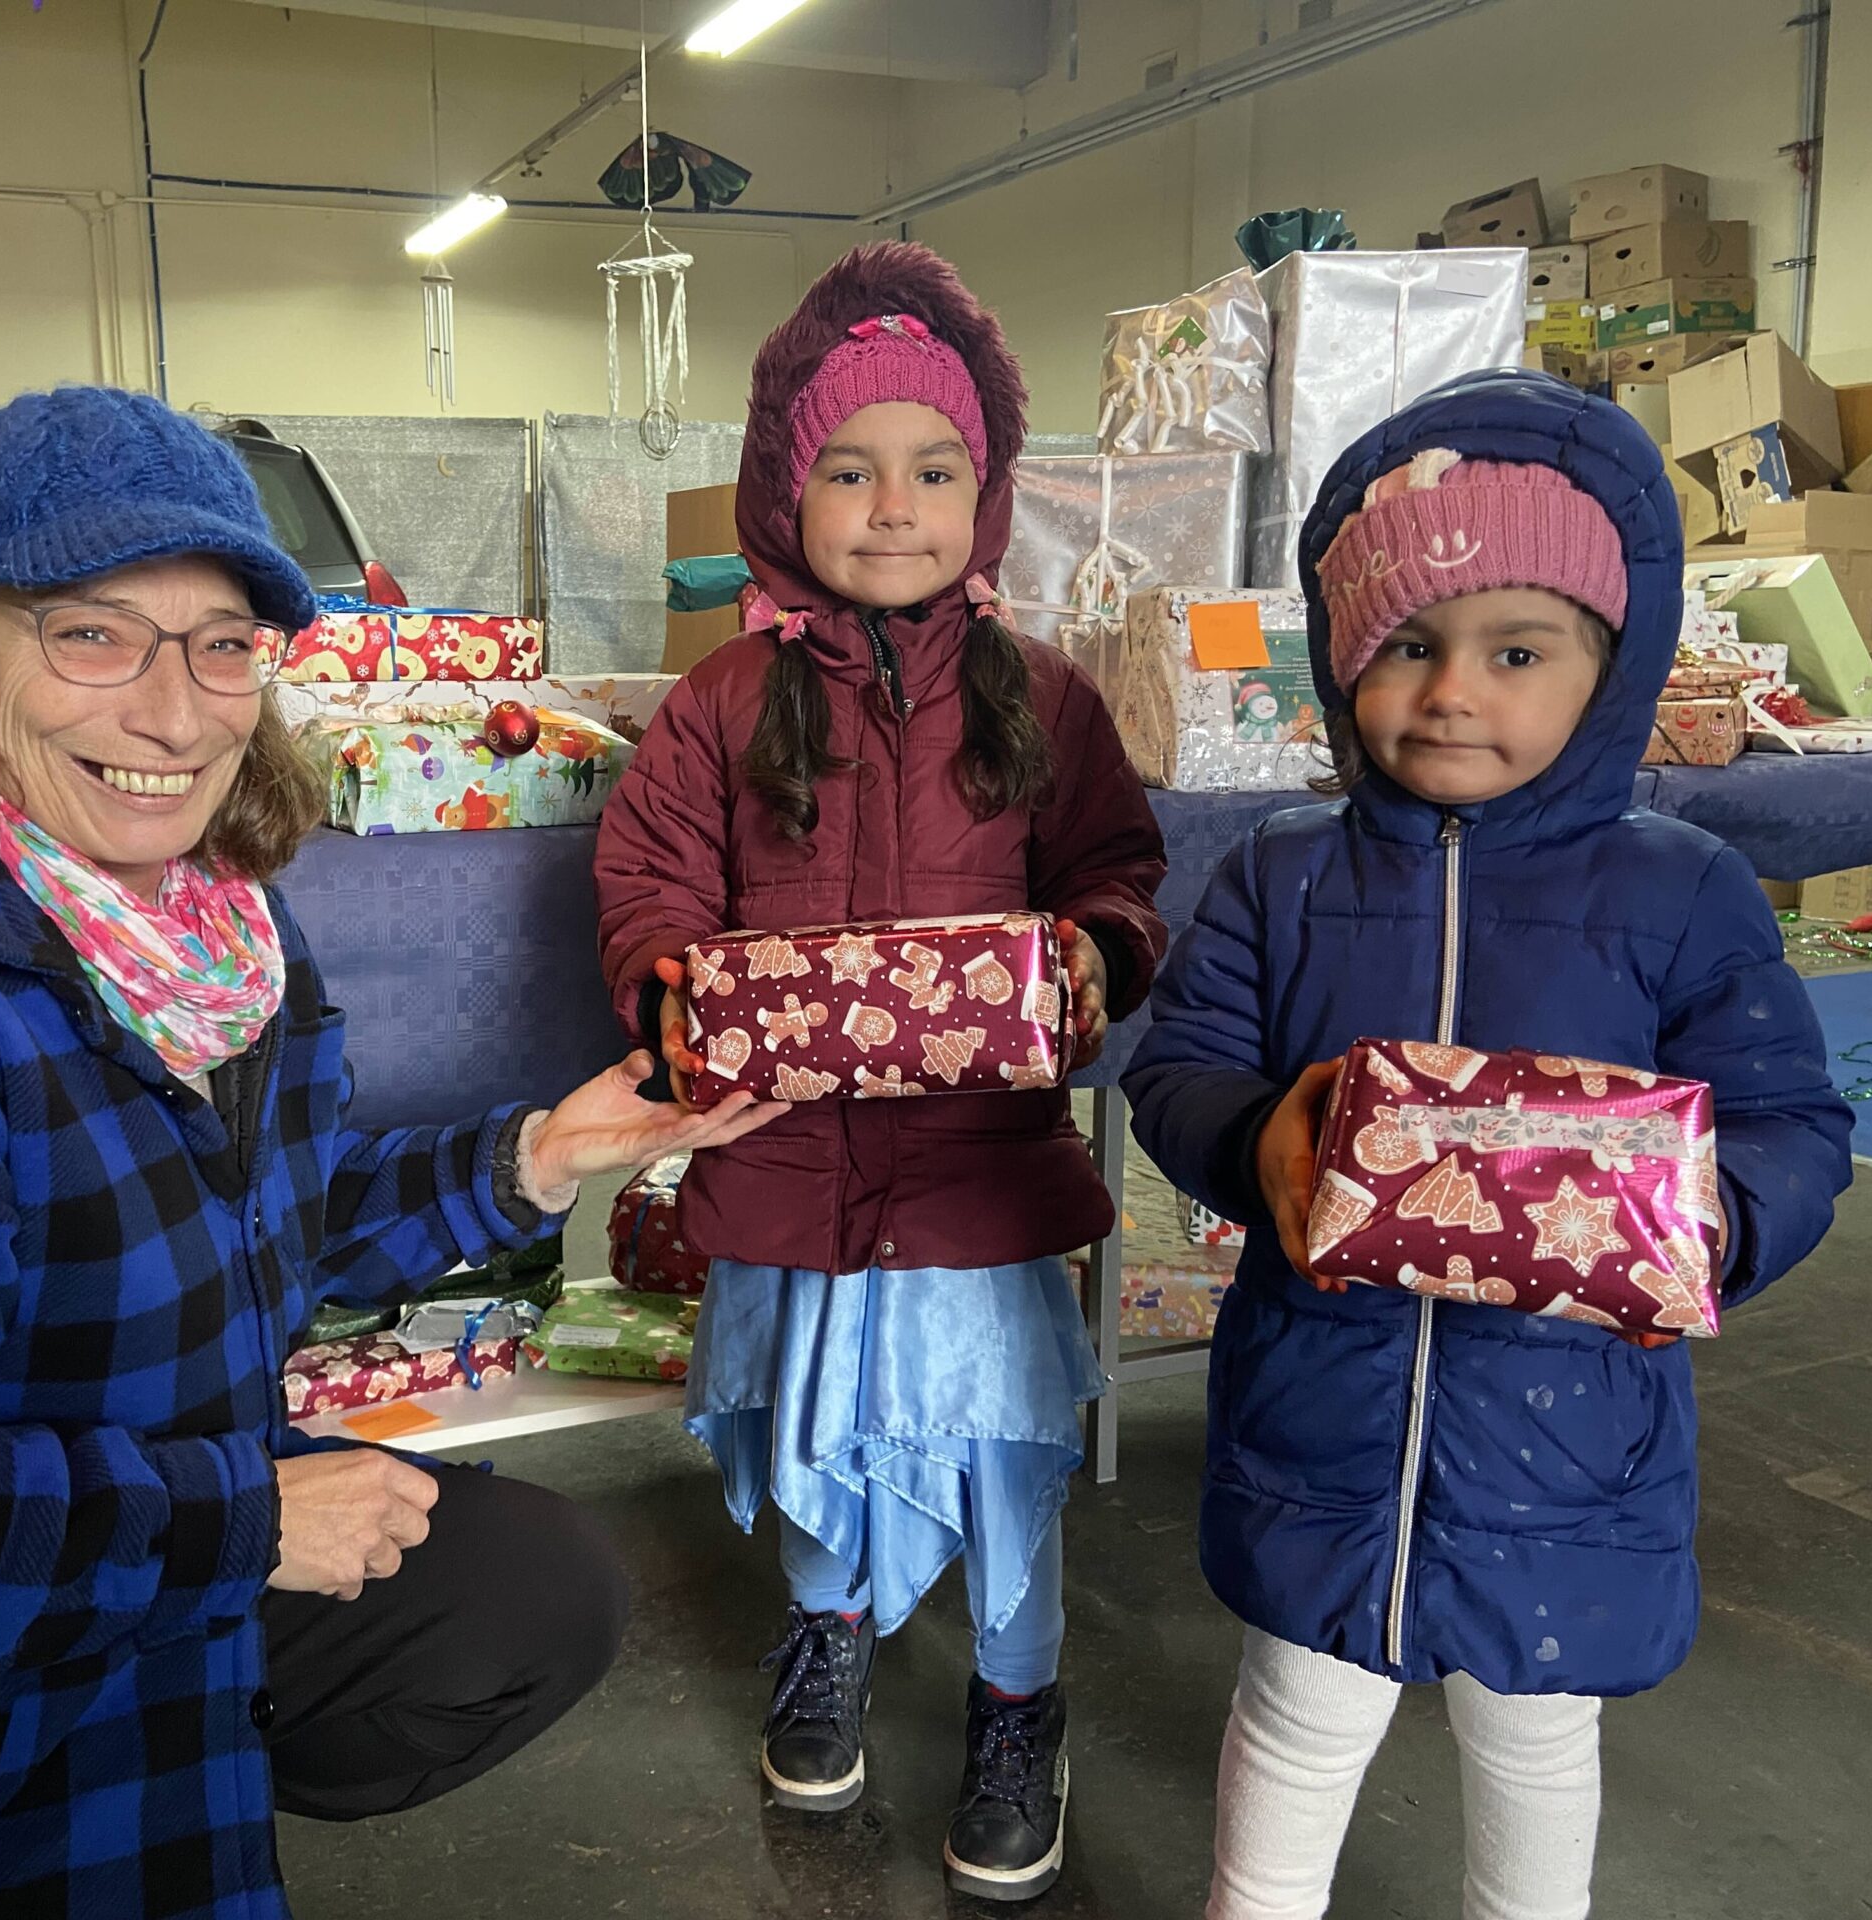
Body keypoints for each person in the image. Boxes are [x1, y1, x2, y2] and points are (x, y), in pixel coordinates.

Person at [0, 386, 781, 1920]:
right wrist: (247, 1525)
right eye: (94, 634)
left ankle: (183, 1738)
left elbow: (231, 1217)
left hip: (127, 1537)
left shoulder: (206, 935)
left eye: (223, 643)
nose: (175, 710)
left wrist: (536, 1156)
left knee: (525, 1594)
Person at [1123, 371, 1854, 1919]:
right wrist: (1258, 1144)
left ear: (1609, 666)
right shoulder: (1281, 876)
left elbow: (1790, 1121)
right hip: (1325, 1414)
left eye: (1515, 651)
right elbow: (1179, 1063)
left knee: (1533, 1728)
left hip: (1571, 1432)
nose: (1452, 692)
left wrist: (1709, 1228)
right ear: (1341, 662)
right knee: (1300, 1712)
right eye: (1405, 645)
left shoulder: (1682, 890)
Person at [593, 243, 1168, 1903]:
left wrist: (1091, 956)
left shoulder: (1047, 699)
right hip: (788, 1171)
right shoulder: (719, 702)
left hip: (981, 1182)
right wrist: (671, 989)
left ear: (983, 498)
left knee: (1000, 1453)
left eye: (934, 470)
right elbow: (648, 885)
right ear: (790, 488)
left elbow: (1118, 871)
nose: (892, 505)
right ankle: (825, 1637)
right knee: (814, 1428)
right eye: (849, 469)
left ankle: (1016, 1701)